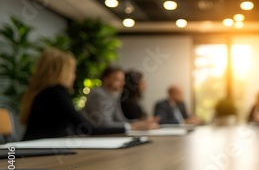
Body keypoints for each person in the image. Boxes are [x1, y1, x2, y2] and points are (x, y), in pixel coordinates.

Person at [20, 49, 157, 141]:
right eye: (72, 71)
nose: (74, 76)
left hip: (40, 147)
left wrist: (135, 124)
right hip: (38, 153)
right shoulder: (56, 93)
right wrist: (132, 127)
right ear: (61, 72)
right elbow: (88, 128)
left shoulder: (46, 93)